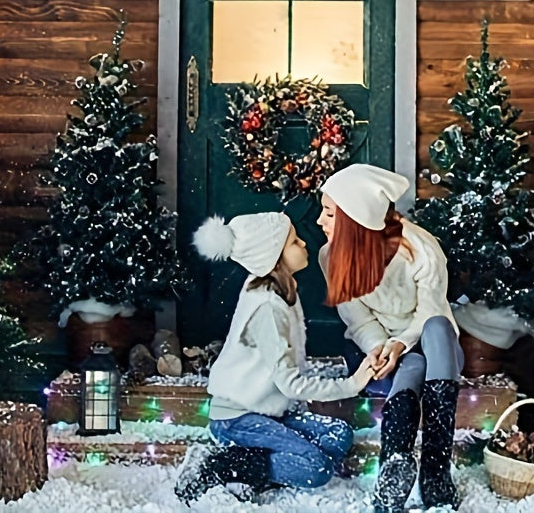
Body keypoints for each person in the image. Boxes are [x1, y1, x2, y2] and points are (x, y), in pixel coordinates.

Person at [174, 211, 373, 505]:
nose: (304, 244)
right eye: (294, 242)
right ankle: (219, 467)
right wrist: (352, 384)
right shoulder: (267, 306)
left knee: (338, 435)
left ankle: (251, 466)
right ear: (273, 257)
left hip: (266, 411)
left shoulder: (280, 290)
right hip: (237, 418)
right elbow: (290, 383)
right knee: (315, 468)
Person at [317, 164, 464, 513]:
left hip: (432, 340)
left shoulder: (420, 249)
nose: (320, 222)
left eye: (329, 214)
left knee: (437, 330)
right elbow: (357, 318)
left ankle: (435, 468)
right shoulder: (331, 257)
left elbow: (431, 310)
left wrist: (401, 343)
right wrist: (380, 349)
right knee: (411, 367)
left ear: (356, 221)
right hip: (391, 347)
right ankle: (395, 462)